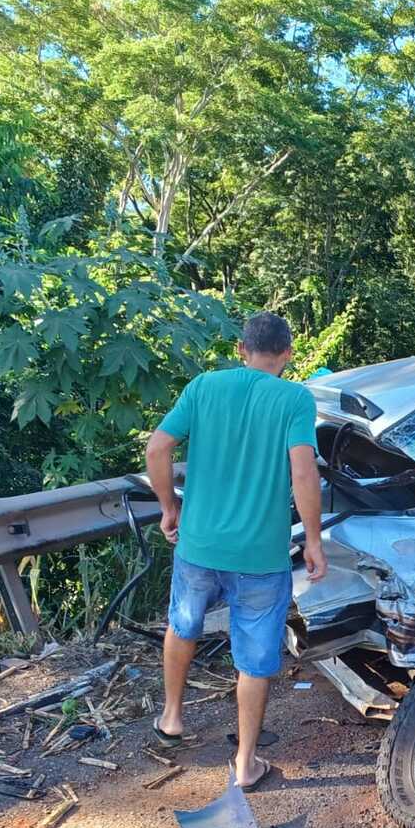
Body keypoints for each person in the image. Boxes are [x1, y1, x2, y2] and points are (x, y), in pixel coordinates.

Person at [145, 312, 327, 793]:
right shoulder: (294, 399)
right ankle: (245, 763)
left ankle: (172, 717)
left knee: (183, 624)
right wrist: (313, 540)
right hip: (260, 557)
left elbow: (157, 448)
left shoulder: (205, 386)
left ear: (241, 350)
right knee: (254, 655)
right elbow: (304, 474)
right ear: (287, 353)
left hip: (198, 545)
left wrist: (169, 508)